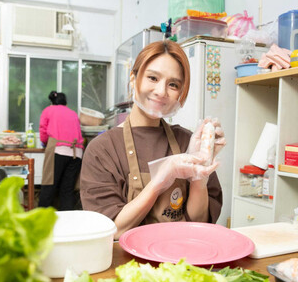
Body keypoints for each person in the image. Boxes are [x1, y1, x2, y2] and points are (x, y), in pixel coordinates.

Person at [80, 40, 225, 239]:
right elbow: (113, 231)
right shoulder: (103, 149)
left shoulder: (187, 141)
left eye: (173, 84)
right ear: (133, 79)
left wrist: (199, 171)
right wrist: (160, 180)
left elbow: (198, 224)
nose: (161, 91)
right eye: (153, 78)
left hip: (180, 261)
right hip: (126, 267)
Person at [38, 91, 84, 210]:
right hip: (76, 153)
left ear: (51, 102)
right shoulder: (73, 113)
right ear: (66, 103)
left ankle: (39, 219)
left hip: (58, 151)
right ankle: (68, 223)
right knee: (67, 189)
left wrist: (45, 143)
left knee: (49, 186)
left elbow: (43, 131)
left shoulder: (48, 110)